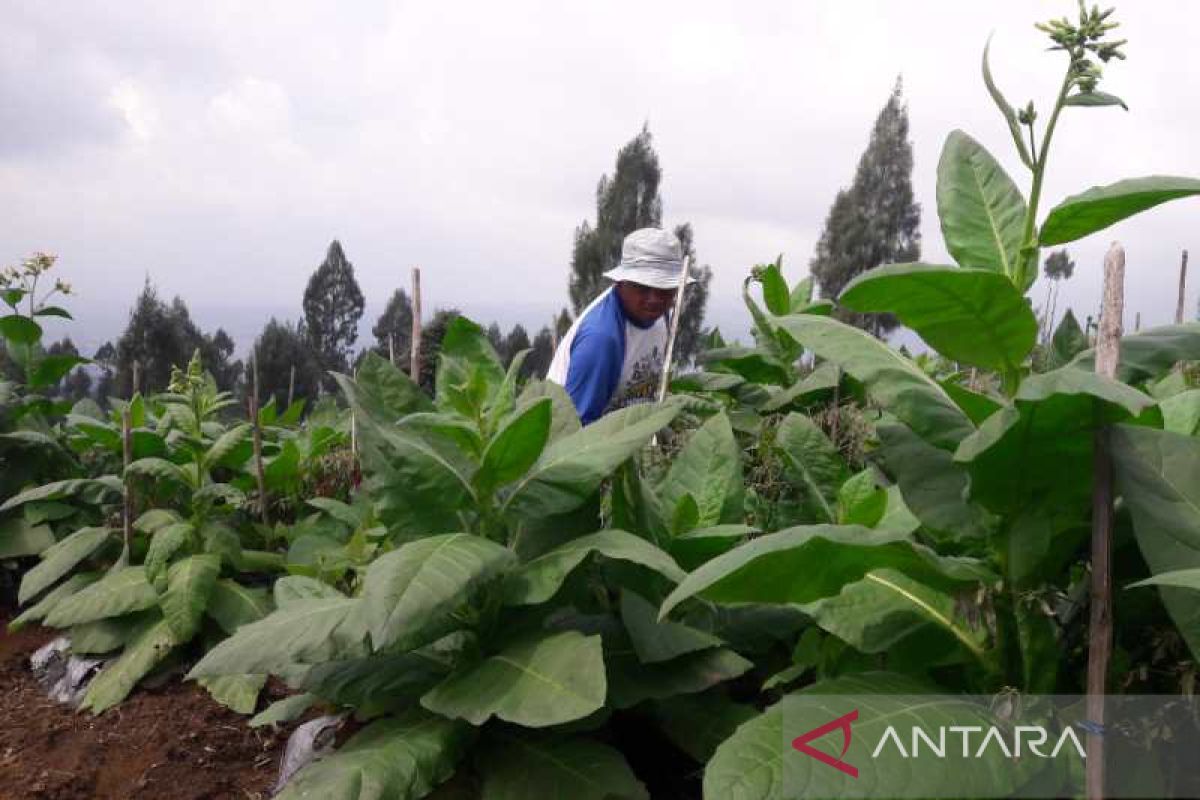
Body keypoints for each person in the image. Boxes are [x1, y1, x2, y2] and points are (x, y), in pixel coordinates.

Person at [547, 227, 693, 424]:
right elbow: (576, 431)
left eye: (665, 288)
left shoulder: (662, 316)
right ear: (621, 282)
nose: (655, 299)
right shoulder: (601, 340)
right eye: (643, 287)